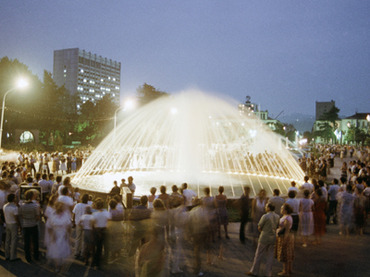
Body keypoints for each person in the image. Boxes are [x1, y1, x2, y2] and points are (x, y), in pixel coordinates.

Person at [247, 203, 280, 277]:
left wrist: (263, 231)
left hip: (264, 237)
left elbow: (259, 226)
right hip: (273, 238)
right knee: (270, 256)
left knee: (258, 254)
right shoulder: (277, 216)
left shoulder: (265, 216)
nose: (265, 207)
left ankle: (254, 271)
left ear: (268, 208)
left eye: (266, 206)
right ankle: (268, 273)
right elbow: (278, 226)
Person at [46, 202, 72, 273]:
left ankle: (61, 265)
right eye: (60, 207)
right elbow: (49, 226)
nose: (61, 208)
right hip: (55, 234)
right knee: (56, 251)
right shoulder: (52, 215)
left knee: (63, 250)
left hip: (63, 234)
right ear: (56, 207)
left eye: (62, 207)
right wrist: (52, 235)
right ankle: (57, 266)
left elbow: (69, 226)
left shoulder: (66, 215)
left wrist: (68, 235)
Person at [19, 190, 40, 263]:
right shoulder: (35, 205)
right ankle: (36, 256)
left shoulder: (22, 205)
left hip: (25, 225)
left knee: (27, 242)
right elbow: (37, 216)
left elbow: (21, 214)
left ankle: (28, 257)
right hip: (33, 224)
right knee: (35, 241)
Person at [275, 203, 294, 276]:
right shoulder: (286, 216)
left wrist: (285, 241)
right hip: (286, 236)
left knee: (285, 253)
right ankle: (289, 269)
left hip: (285, 237)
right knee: (288, 253)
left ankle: (285, 271)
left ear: (285, 210)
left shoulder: (287, 218)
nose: (281, 209)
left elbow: (286, 230)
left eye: (282, 208)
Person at [92, 198, 111, 269]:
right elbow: (109, 221)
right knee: (104, 247)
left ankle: (95, 263)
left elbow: (93, 224)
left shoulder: (95, 214)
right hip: (105, 230)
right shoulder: (107, 213)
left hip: (97, 231)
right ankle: (104, 262)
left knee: (97, 247)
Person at [3, 193, 20, 261]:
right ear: (13, 199)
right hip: (13, 224)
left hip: (7, 223)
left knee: (7, 240)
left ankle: (7, 255)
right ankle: (13, 256)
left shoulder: (5, 206)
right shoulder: (14, 208)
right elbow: (16, 218)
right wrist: (19, 225)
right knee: (13, 240)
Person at [72, 193, 89, 258]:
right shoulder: (88, 206)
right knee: (84, 239)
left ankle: (76, 252)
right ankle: (82, 252)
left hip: (78, 223)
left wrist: (73, 221)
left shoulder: (77, 205)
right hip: (85, 224)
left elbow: (74, 213)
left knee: (78, 238)